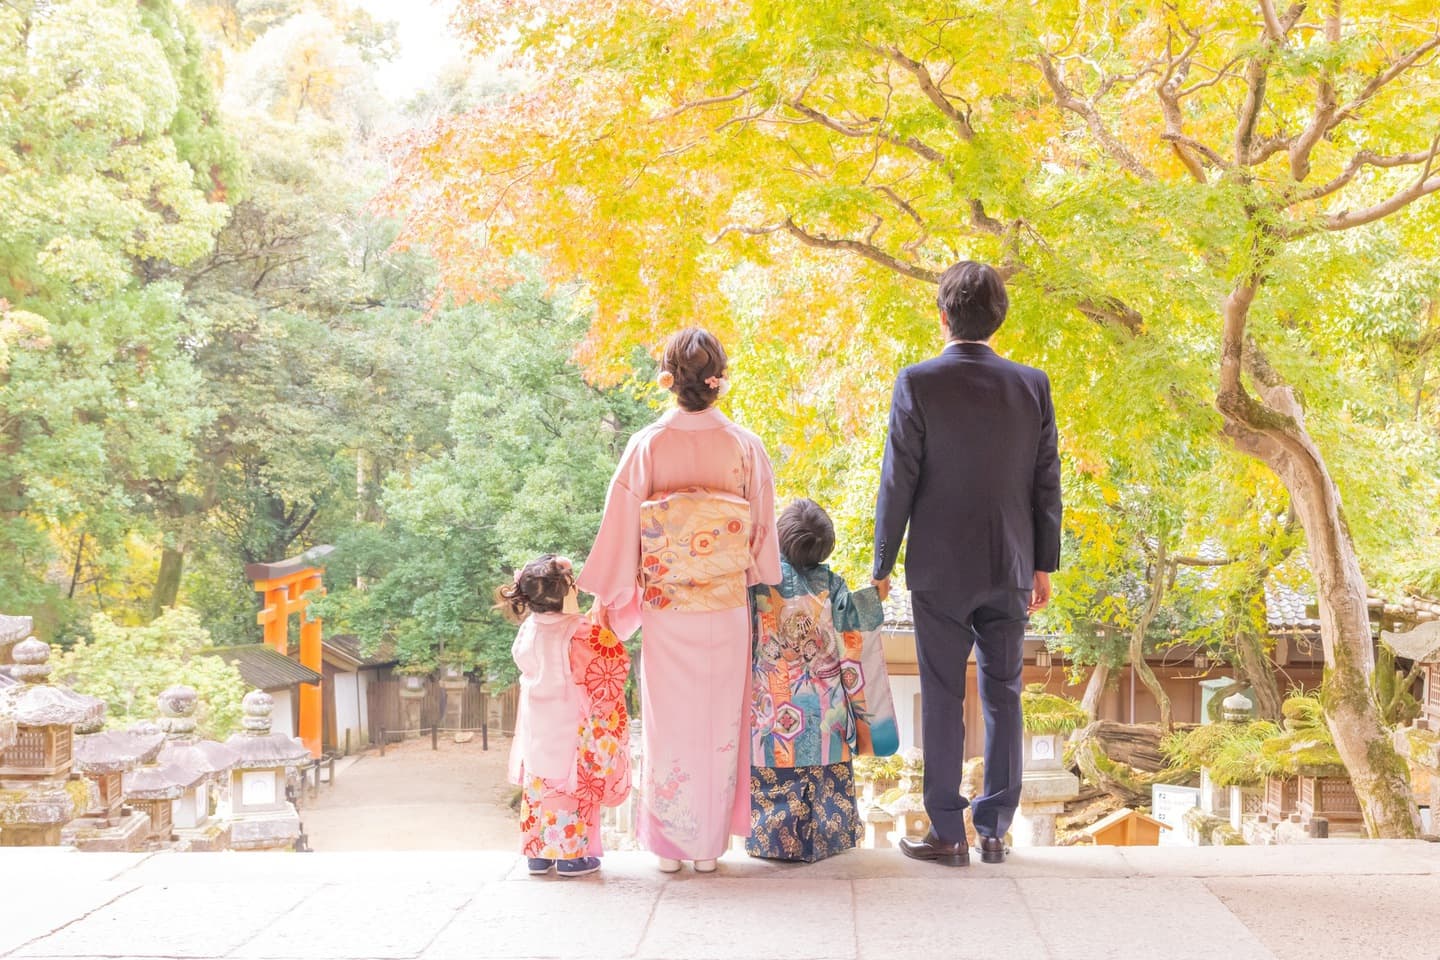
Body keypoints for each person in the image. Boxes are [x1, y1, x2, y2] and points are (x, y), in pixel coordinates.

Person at [871, 260, 1062, 866]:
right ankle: (996, 831)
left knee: (942, 692)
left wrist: (882, 559)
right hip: (1010, 561)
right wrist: (1043, 564)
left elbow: (898, 479)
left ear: (943, 314)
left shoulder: (918, 382)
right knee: (1005, 692)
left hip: (937, 568)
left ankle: (947, 833)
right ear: (998, 317)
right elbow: (1045, 483)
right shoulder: (1032, 384)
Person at [580, 327, 781, 874]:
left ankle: (668, 845)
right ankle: (707, 848)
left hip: (667, 608)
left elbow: (622, 528)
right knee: (719, 725)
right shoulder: (744, 445)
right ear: (719, 380)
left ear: (668, 379)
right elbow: (761, 535)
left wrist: (611, 598)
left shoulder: (648, 443)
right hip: (726, 607)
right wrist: (759, 582)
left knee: (669, 723)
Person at [748, 498, 897, 862]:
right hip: (827, 713)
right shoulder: (833, 586)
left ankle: (773, 843)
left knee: (774, 774)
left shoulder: (758, 586)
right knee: (825, 776)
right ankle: (828, 839)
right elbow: (855, 633)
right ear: (825, 546)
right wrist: (877, 592)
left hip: (772, 714)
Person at [502, 554, 632, 878]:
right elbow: (613, 660)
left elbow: (521, 660)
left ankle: (538, 855)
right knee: (569, 785)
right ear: (566, 593)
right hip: (569, 721)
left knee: (539, 783)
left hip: (535, 720)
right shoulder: (579, 630)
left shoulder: (528, 630)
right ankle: (571, 856)